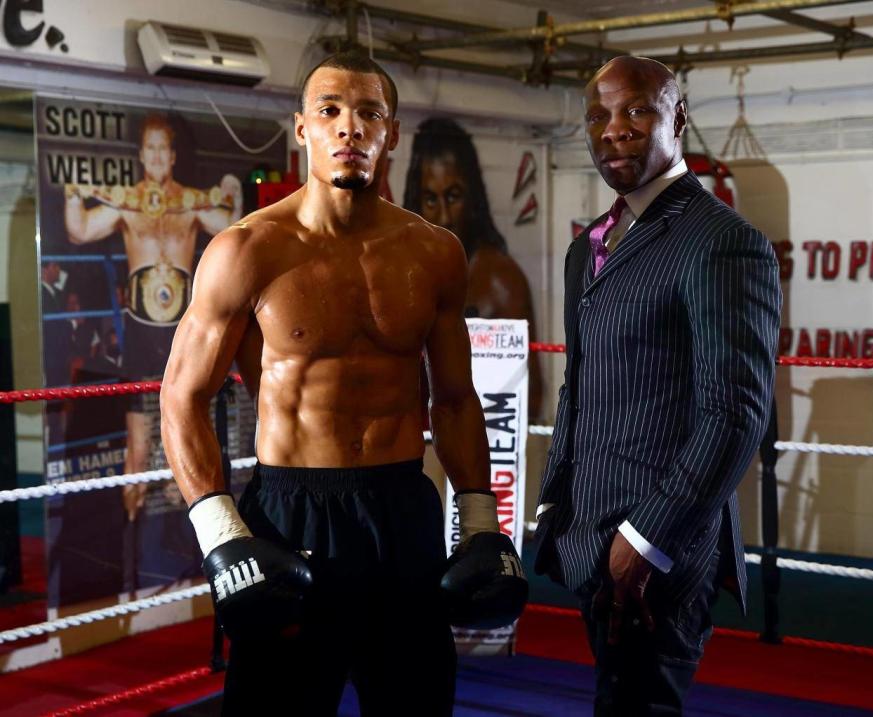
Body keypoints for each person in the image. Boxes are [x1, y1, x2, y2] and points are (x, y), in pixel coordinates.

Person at [160, 51, 526, 716]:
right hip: (294, 511)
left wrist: (479, 521)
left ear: (391, 133)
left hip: (402, 511)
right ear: (302, 128)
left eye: (368, 114)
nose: (348, 127)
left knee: (415, 703)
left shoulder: (434, 252)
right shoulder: (247, 250)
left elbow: (454, 395)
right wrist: (221, 533)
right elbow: (182, 395)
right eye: (329, 111)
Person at [534, 56, 781, 716]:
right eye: (598, 115)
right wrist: (555, 503)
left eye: (636, 110)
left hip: (660, 548)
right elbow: (580, 383)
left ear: (676, 117)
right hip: (591, 536)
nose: (613, 128)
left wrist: (645, 541)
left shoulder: (723, 242)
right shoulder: (586, 246)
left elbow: (736, 412)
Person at [63, 113, 243, 521]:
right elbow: (80, 229)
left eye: (164, 148)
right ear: (142, 155)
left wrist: (231, 193)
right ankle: (131, 575)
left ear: (173, 155)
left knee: (196, 442)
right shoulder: (128, 203)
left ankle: (195, 561)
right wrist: (75, 196)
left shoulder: (190, 203)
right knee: (138, 449)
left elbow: (233, 228)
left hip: (184, 333)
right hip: (141, 334)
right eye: (151, 148)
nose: (158, 156)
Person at [403, 117, 543, 420]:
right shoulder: (403, 273)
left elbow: (530, 398)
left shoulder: (500, 281)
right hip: (411, 445)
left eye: (453, 196)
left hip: (480, 443)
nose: (443, 215)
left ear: (473, 197)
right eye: (430, 199)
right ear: (416, 200)